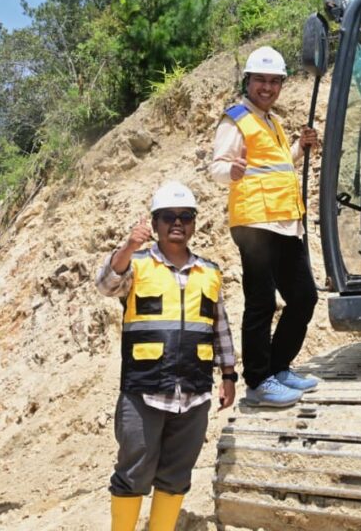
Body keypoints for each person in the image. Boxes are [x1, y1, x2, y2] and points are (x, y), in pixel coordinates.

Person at [96, 181, 237, 531]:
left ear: (194, 223)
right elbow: (106, 284)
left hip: (194, 390)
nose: (178, 223)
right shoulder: (138, 264)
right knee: (133, 473)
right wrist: (129, 245)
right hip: (143, 389)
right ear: (155, 223)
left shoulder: (210, 272)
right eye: (168, 216)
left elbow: (219, 327)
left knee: (176, 475)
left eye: (185, 216)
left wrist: (229, 375)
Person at [210, 46, 319, 408]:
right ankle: (258, 381)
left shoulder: (271, 120)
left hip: (285, 221)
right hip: (255, 222)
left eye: (274, 81)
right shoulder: (236, 120)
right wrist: (231, 171)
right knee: (261, 301)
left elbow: (280, 165)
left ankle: (278, 367)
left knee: (304, 297)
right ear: (248, 81)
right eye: (261, 80)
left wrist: (299, 148)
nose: (268, 87)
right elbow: (217, 167)